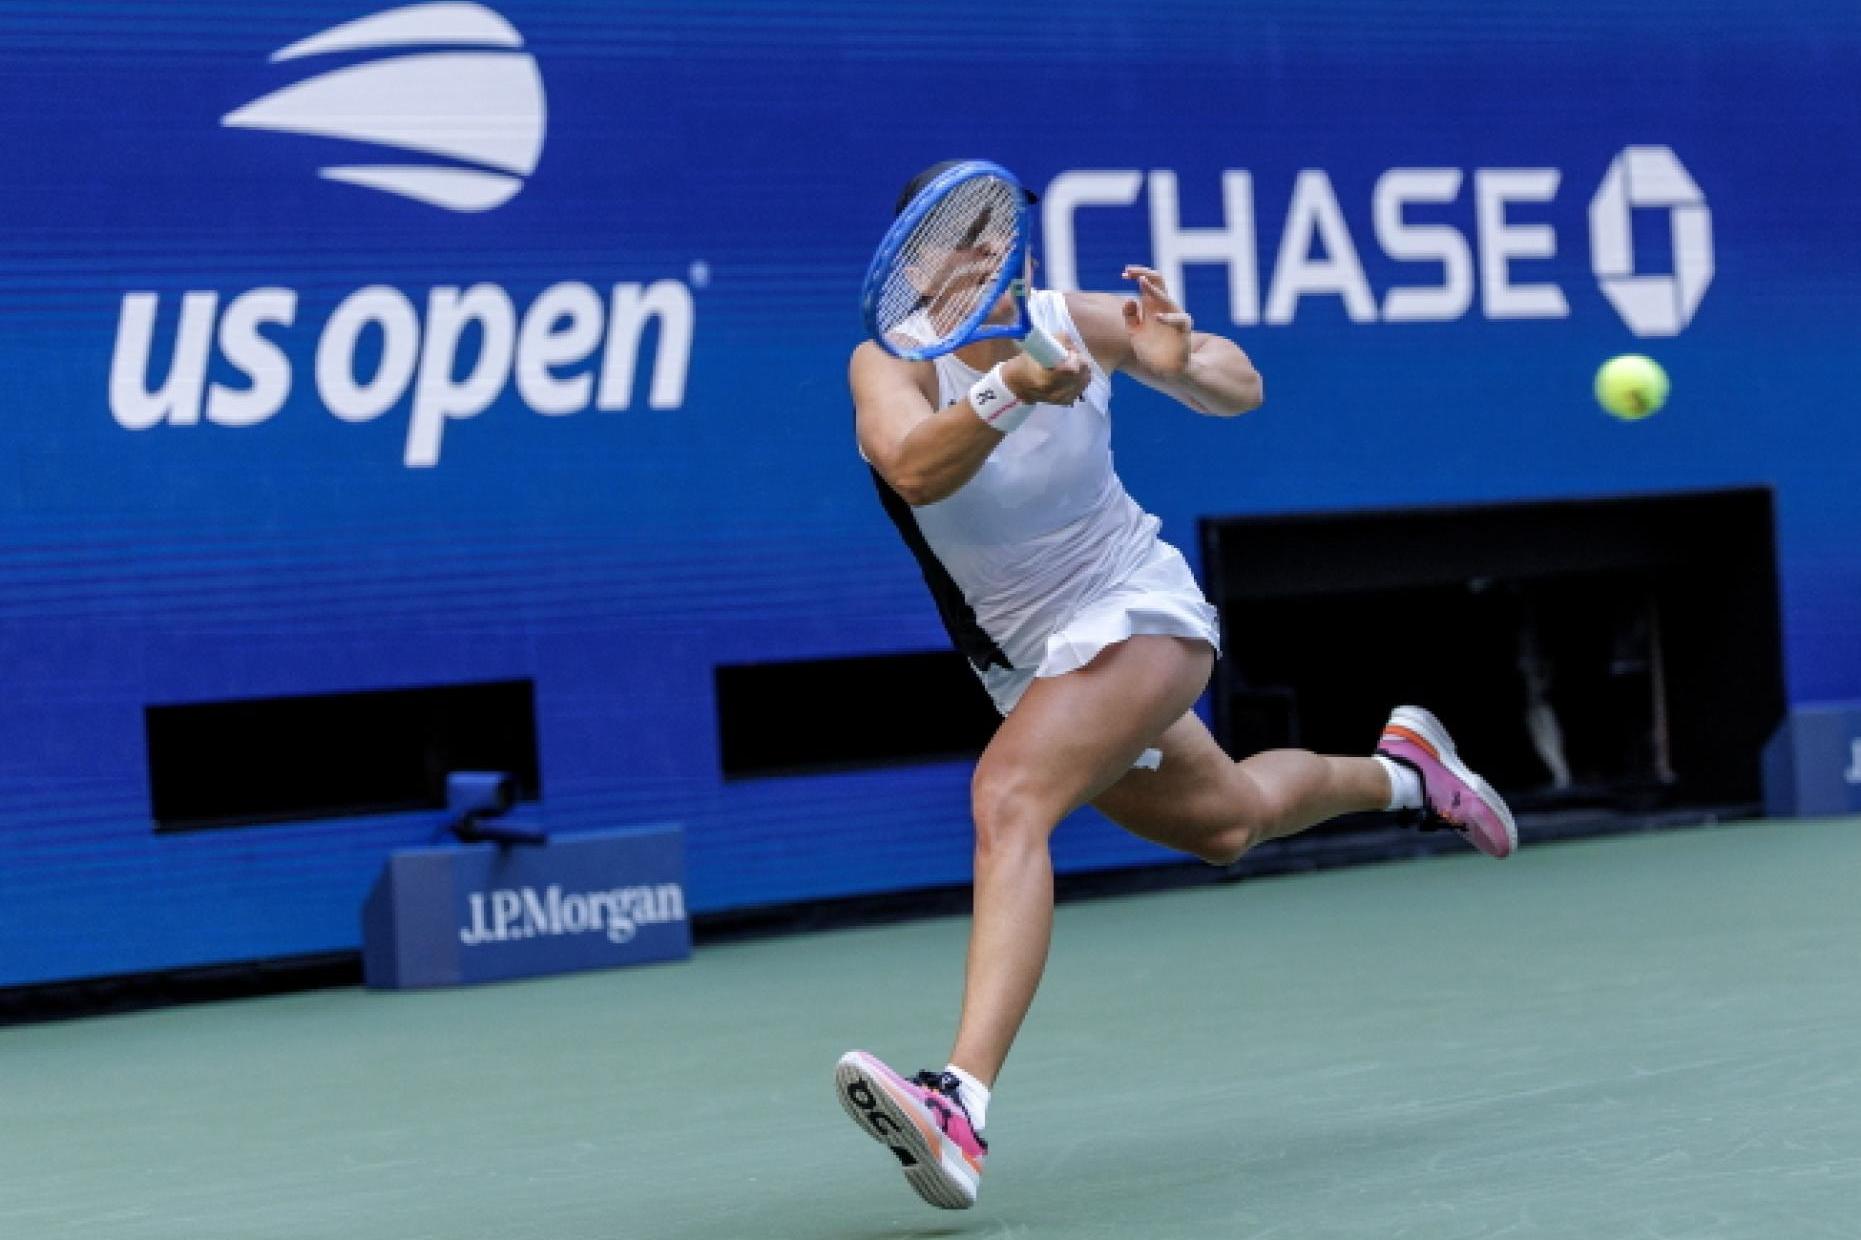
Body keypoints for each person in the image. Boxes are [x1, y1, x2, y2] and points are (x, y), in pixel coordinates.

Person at [836, 160, 1517, 1211]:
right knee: (1226, 821)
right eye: (957, 237)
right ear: (912, 269)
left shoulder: (1070, 319)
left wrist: (1182, 362)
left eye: (998, 231)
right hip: (1028, 662)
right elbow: (914, 465)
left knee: (1008, 799)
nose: (986, 252)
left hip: (1135, 607)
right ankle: (1409, 774)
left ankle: (958, 1103)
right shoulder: (889, 362)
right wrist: (1013, 388)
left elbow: (1241, 386)